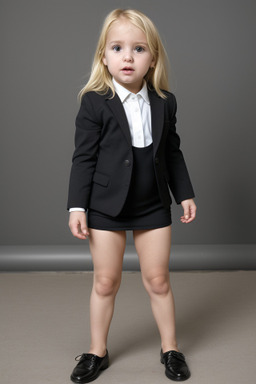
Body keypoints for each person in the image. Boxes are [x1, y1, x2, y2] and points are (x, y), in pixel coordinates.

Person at [67, 8, 196, 383]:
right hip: (105, 206)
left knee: (158, 279)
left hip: (153, 203)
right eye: (118, 48)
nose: (128, 56)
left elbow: (172, 151)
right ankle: (96, 351)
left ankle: (170, 348)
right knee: (105, 282)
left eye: (138, 49)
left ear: (152, 57)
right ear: (104, 57)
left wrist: (184, 193)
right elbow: (83, 158)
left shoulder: (164, 101)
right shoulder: (94, 102)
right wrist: (78, 206)